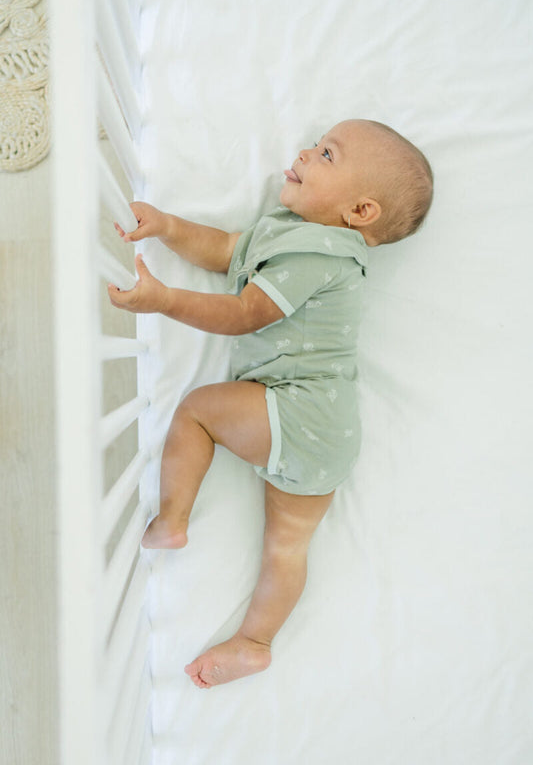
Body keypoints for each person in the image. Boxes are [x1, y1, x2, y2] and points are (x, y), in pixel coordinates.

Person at [108, 119, 433, 688]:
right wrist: (167, 226)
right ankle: (255, 642)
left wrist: (164, 300)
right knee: (285, 549)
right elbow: (225, 249)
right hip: (325, 435)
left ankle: (174, 518)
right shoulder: (289, 231)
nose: (306, 152)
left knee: (197, 412)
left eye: (327, 155)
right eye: (317, 144)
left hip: (300, 410)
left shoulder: (321, 253)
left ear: (360, 212)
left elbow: (244, 314)